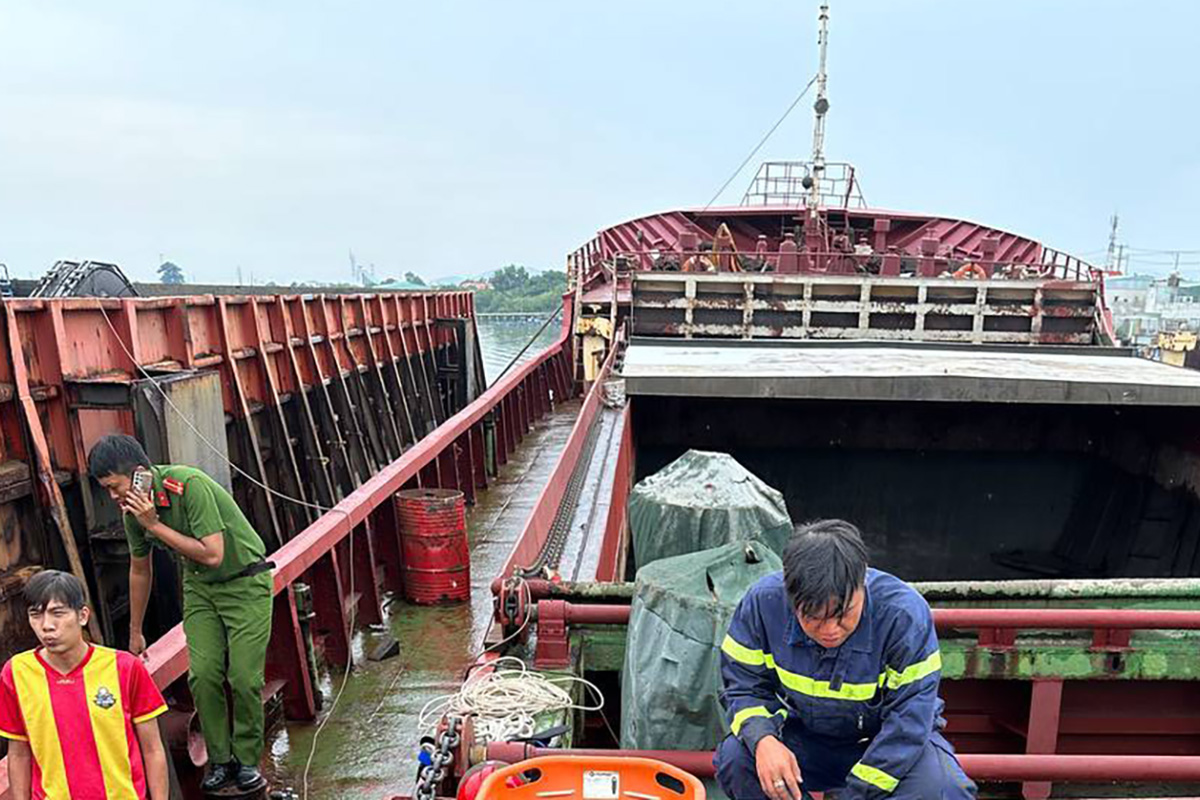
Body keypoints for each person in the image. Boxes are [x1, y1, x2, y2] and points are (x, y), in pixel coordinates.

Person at [715, 520, 976, 800]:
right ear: (790, 597)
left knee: (944, 790)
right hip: (803, 738)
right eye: (813, 617)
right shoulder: (761, 605)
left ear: (862, 582)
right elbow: (743, 687)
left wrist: (857, 794)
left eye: (843, 614)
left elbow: (909, 721)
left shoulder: (904, 616)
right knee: (737, 757)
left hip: (886, 743)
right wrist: (763, 740)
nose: (830, 630)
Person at [87, 434, 272, 793]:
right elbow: (140, 570)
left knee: (244, 678)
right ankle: (221, 760)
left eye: (114, 486)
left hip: (244, 582)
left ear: (139, 474)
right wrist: (136, 631)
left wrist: (155, 524)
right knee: (203, 675)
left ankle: (248, 758)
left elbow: (213, 553)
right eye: (106, 490)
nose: (113, 497)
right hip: (201, 589)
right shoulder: (133, 515)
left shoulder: (189, 486)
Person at [0, 570, 169, 800]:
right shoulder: (17, 673)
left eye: (57, 613)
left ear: (82, 616)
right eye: (35, 615)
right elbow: (19, 753)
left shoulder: (125, 667)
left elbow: (153, 749)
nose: (47, 625)